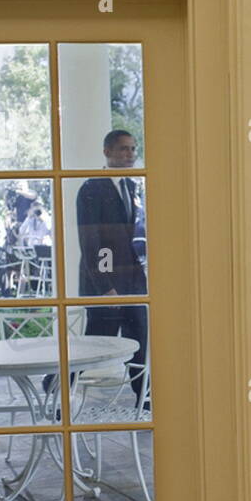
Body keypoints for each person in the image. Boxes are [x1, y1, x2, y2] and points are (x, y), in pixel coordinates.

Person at [74, 129, 149, 408]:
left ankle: (145, 400)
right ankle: (55, 384)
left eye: (132, 149)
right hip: (106, 285)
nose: (130, 154)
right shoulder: (91, 189)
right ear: (107, 152)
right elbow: (93, 244)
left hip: (132, 283)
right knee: (93, 347)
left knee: (139, 342)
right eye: (123, 149)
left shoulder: (130, 186)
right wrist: (106, 286)